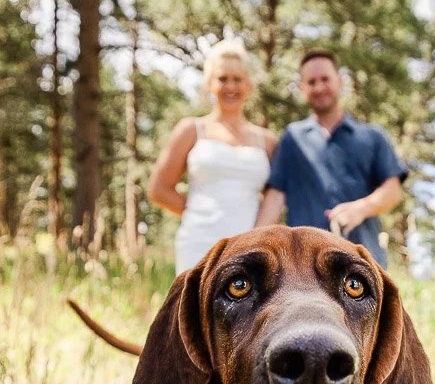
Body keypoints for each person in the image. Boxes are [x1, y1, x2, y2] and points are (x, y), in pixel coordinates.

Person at [255, 49, 407, 267]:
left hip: (363, 261)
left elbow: (392, 191)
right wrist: (251, 246)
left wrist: (360, 208)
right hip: (303, 267)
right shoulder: (292, 139)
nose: (319, 87)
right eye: (311, 82)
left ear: (340, 82)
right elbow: (274, 198)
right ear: (302, 88)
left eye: (325, 79)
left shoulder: (373, 137)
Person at [148, 40, 276, 274]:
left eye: (237, 79)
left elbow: (275, 196)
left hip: (250, 245)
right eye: (223, 78)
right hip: (198, 241)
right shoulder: (191, 130)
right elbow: (158, 190)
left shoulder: (267, 141)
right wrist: (197, 210)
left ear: (248, 85)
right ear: (209, 84)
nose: (231, 86)